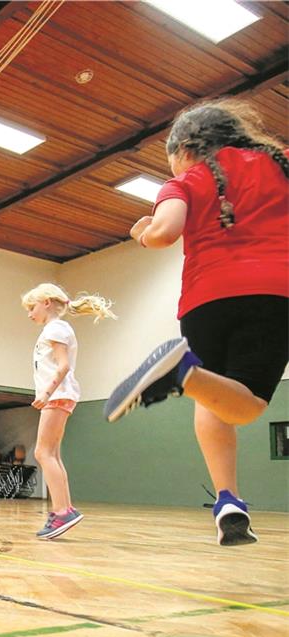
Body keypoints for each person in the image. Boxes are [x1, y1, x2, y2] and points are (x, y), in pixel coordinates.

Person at [105, 99, 288, 547]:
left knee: (212, 393)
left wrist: (142, 233)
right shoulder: (282, 167)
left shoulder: (186, 180)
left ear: (185, 149)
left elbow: (165, 232)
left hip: (205, 301)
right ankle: (181, 373)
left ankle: (229, 501)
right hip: (274, 292)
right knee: (247, 405)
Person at [22, 283, 116, 539]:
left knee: (42, 452)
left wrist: (46, 392)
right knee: (52, 454)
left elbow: (63, 366)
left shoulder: (55, 328)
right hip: (60, 396)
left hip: (58, 396)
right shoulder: (55, 329)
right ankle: (63, 509)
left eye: (32, 307)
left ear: (47, 303)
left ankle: (62, 510)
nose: (30, 314)